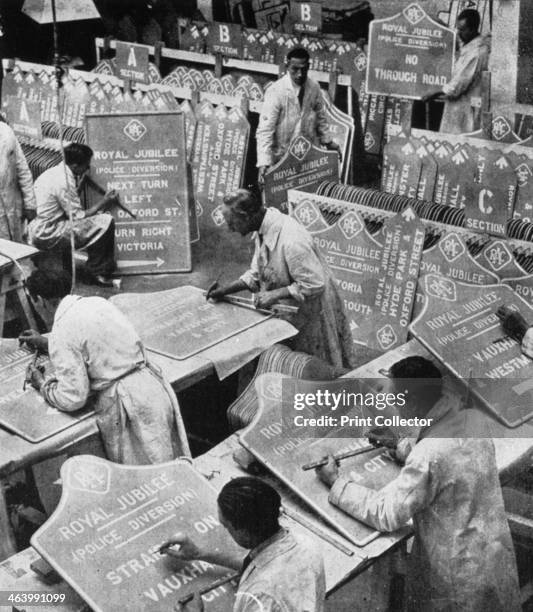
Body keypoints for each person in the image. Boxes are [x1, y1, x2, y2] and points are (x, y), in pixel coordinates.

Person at [315, 356, 521, 612]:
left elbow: (386, 513)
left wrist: (336, 482)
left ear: (411, 402)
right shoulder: (471, 418)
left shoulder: (428, 456)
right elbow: (452, 457)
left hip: (455, 575)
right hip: (492, 553)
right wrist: (403, 446)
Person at [19, 269, 190, 465]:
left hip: (129, 406)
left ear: (40, 300)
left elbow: (73, 397)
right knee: (172, 467)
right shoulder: (97, 302)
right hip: (153, 388)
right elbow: (94, 345)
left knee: (144, 478)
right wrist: (45, 343)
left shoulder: (61, 330)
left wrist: (42, 384)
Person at [206, 189, 355, 371]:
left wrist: (273, 294)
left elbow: (314, 285)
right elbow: (257, 273)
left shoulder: (292, 240)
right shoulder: (261, 227)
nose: (230, 228)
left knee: (318, 370)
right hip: (295, 307)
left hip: (315, 309)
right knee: (295, 366)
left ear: (245, 217)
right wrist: (224, 291)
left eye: (231, 223)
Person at [160, 477, 325, 612]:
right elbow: (260, 566)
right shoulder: (305, 543)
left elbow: (264, 578)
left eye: (227, 526)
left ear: (243, 532)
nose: (226, 530)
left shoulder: (260, 596)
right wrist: (199, 554)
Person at [27, 143, 117, 287]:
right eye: (86, 166)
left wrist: (78, 187)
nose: (88, 169)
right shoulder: (65, 181)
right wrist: (104, 201)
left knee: (86, 223)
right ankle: (97, 272)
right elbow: (79, 216)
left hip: (37, 229)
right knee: (105, 221)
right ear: (75, 166)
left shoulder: (54, 172)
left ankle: (72, 268)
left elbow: (62, 205)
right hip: (49, 232)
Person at [256, 46, 340, 184]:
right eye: (295, 69)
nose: (300, 74)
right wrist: (264, 163)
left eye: (304, 69)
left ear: (308, 66)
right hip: (282, 155)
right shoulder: (276, 91)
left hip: (306, 153)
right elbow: (265, 130)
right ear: (287, 66)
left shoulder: (314, 87)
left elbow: (321, 117)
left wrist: (328, 142)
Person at [422, 9, 490, 134]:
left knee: (460, 139)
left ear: (472, 29)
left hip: (466, 106)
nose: (458, 33)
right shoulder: (468, 44)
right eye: (458, 29)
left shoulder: (478, 52)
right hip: (457, 105)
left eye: (462, 30)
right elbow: (453, 38)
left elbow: (459, 83)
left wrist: (435, 93)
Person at [0, 119, 36, 242]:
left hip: (11, 205)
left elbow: (22, 169)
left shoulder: (6, 132)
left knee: (17, 247)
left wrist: (30, 203)